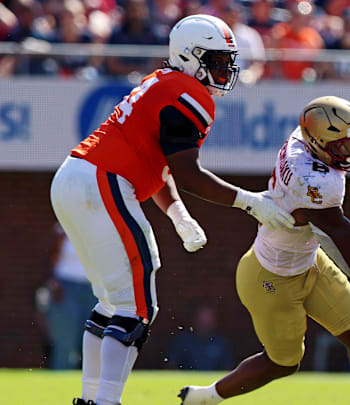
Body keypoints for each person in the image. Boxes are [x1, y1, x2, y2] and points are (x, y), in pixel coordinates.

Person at [50, 14, 296, 405]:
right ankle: (105, 402)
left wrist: (178, 215)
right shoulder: (187, 91)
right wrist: (250, 202)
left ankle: (90, 399)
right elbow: (188, 171)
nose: (223, 70)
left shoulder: (162, 83)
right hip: (102, 179)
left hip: (76, 177)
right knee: (137, 306)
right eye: (215, 61)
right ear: (188, 56)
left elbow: (162, 167)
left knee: (112, 302)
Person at [177, 96, 350, 405]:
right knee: (284, 363)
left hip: (308, 262)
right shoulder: (315, 185)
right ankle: (206, 397)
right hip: (270, 281)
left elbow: (326, 141)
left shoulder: (303, 137)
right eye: (346, 146)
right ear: (319, 145)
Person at [41, 223, 96, 369]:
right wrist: (53, 282)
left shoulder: (101, 226)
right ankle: (60, 382)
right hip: (66, 287)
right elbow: (50, 258)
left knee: (94, 339)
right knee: (65, 339)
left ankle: (94, 386)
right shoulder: (63, 227)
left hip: (94, 288)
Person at [166, 305, 235, 371]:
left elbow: (227, 370)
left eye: (208, 320)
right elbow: (172, 367)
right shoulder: (182, 341)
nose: (204, 324)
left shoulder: (222, 344)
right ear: (194, 320)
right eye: (202, 320)